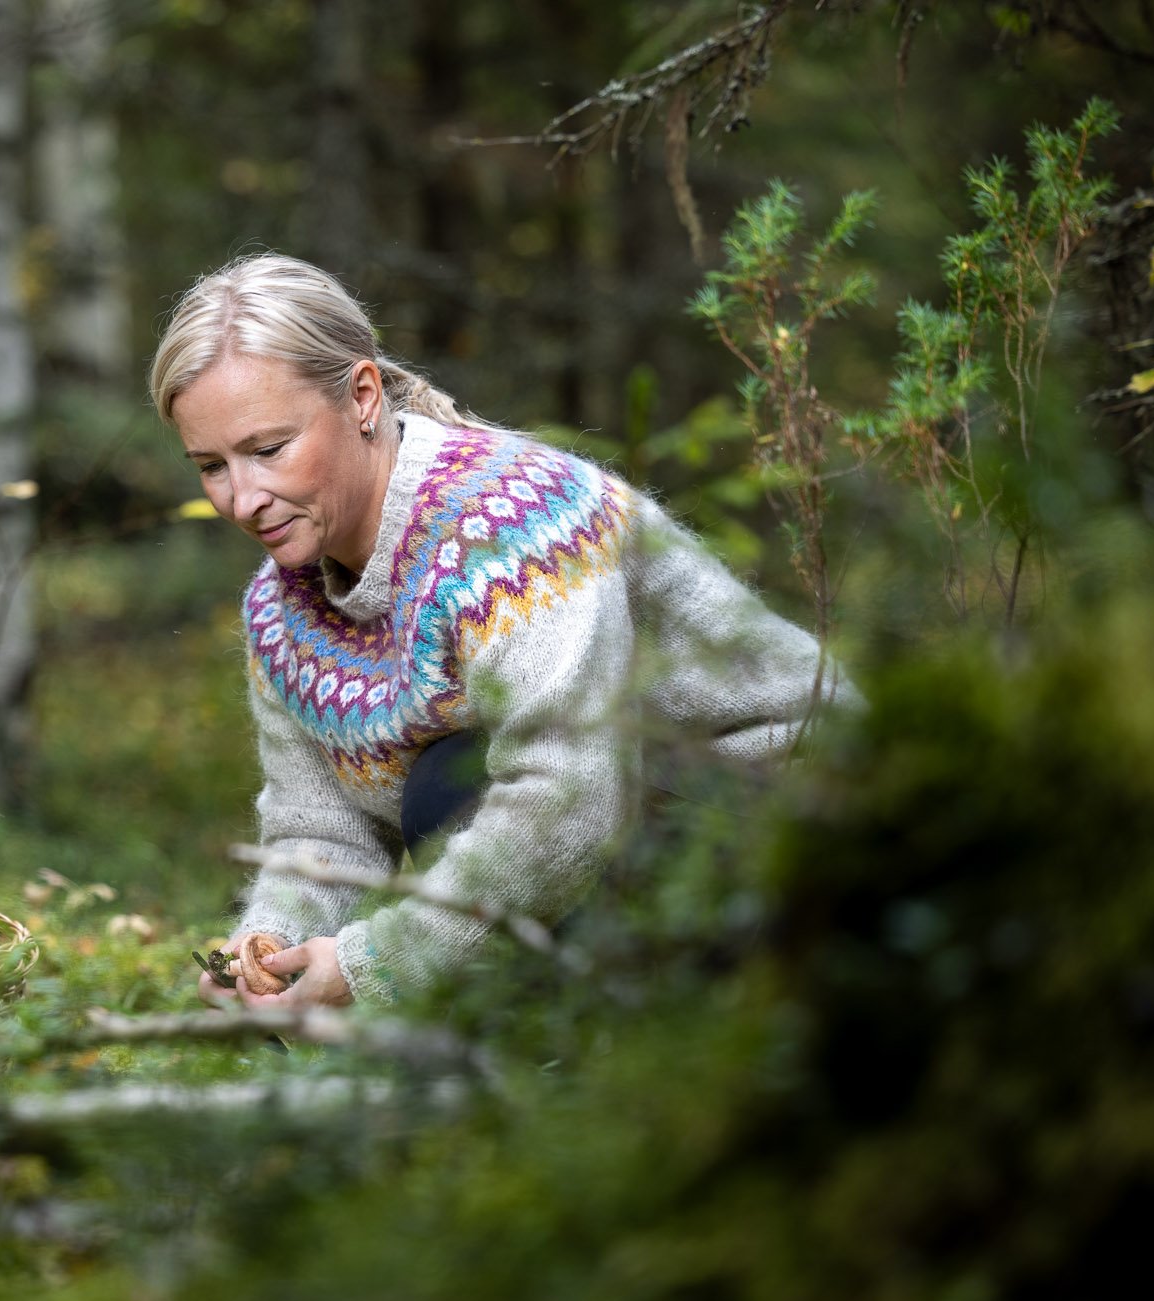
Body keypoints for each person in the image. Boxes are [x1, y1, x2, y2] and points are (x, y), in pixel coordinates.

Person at [151, 253, 853, 1010]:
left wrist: (371, 967)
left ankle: (656, 1036)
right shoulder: (280, 610)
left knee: (450, 785)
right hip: (636, 822)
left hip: (812, 812)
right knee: (451, 787)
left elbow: (567, 794)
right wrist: (266, 952)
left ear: (361, 396)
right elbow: (314, 827)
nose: (244, 498)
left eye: (267, 449)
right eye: (211, 466)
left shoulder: (513, 529)